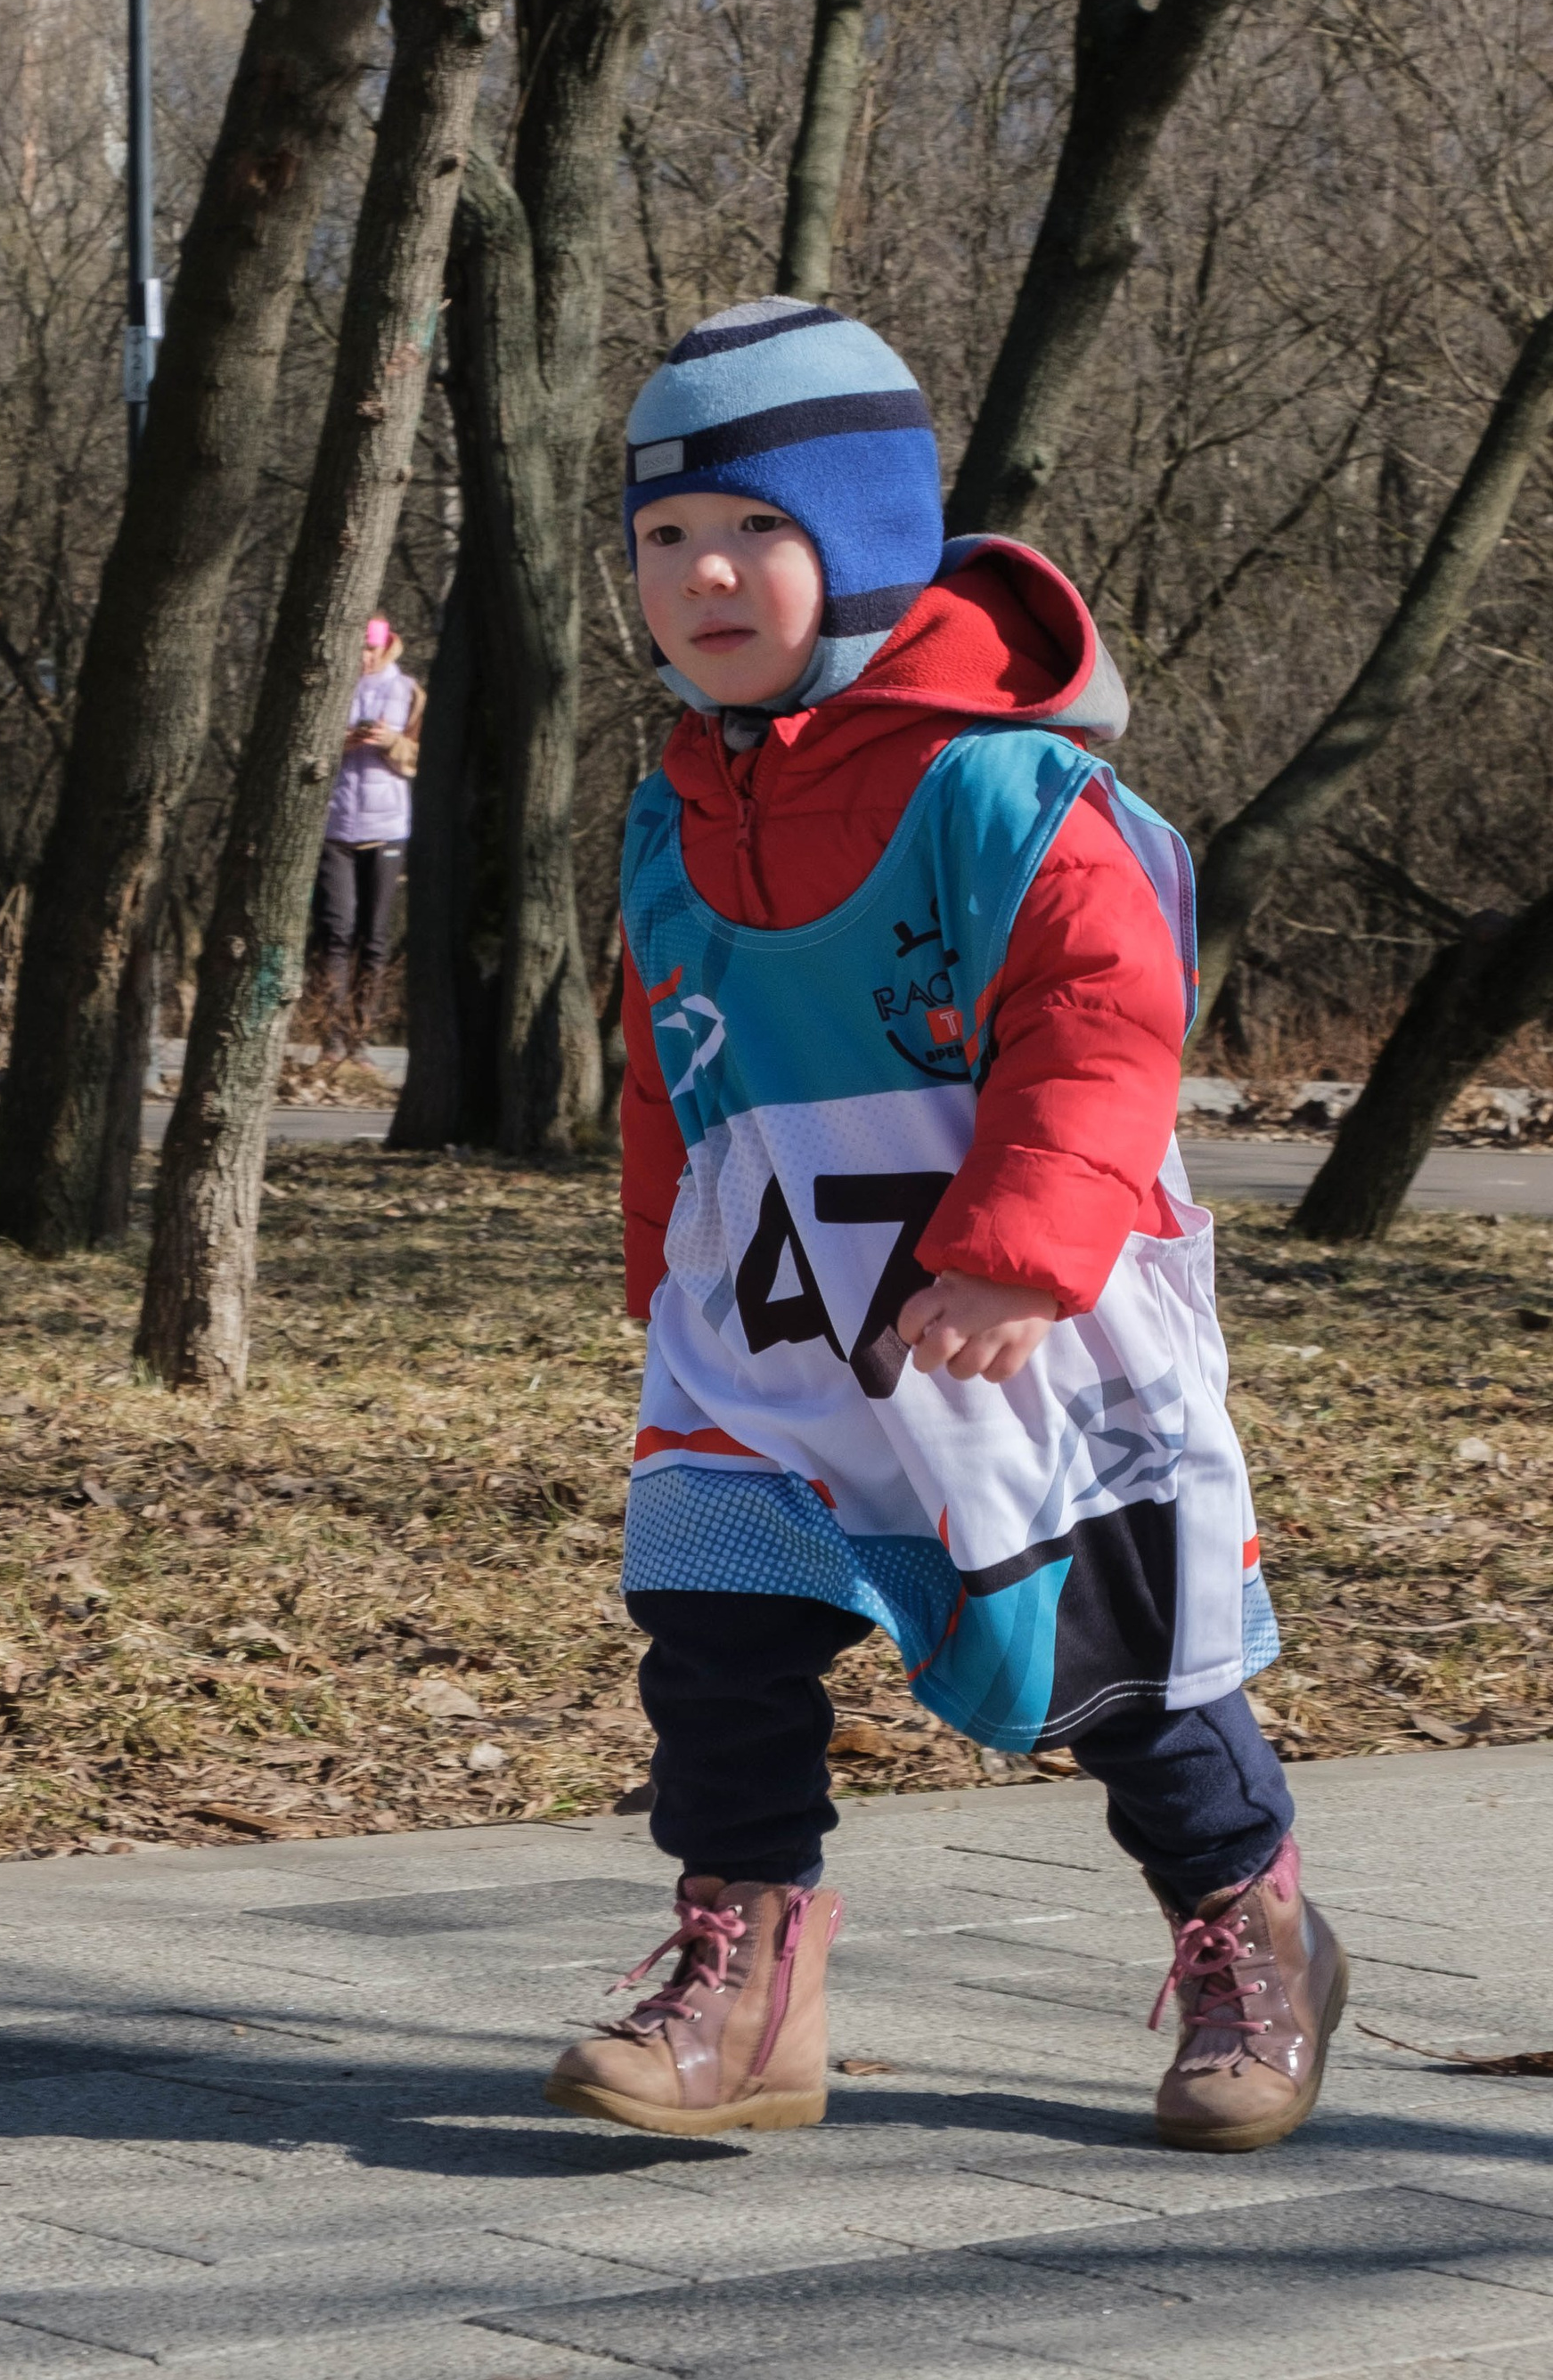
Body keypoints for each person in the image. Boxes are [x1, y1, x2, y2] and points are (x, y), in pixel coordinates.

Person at [543, 299, 1345, 2152]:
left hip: (1020, 1315)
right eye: (660, 540)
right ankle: (741, 1992)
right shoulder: (668, 818)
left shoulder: (1001, 788)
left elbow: (1104, 1018)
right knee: (713, 1627)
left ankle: (1250, 1933)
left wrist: (1018, 1242)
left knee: (1121, 1675)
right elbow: (677, 1067)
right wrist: (661, 1266)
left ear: (865, 537)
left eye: (751, 526)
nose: (700, 575)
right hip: (765, 1330)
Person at [315, 616, 419, 1033]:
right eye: (358, 648)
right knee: (336, 932)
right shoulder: (329, 685)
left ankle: (360, 1032)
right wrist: (341, 740)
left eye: (371, 649)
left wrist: (389, 741)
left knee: (374, 938)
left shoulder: (407, 690)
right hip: (334, 826)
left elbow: (420, 753)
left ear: (386, 647)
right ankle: (330, 1031)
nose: (364, 657)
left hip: (388, 827)